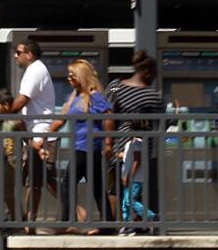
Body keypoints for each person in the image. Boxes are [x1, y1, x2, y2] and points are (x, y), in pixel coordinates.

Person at [47, 59, 115, 233]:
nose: (69, 77)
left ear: (81, 76)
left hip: (88, 147)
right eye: (68, 74)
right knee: (96, 187)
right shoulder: (76, 96)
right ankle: (107, 224)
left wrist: (108, 142)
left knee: (67, 183)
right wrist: (44, 135)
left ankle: (68, 222)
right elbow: (62, 118)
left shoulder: (94, 95)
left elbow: (108, 116)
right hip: (80, 147)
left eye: (72, 74)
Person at [3, 40, 58, 224]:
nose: (15, 56)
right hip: (37, 134)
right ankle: (29, 221)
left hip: (41, 135)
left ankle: (73, 211)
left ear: (29, 54)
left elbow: (22, 100)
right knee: (37, 180)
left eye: (19, 52)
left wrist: (5, 113)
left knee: (40, 181)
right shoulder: (35, 70)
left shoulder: (34, 71)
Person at [106, 50, 164, 222]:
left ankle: (117, 224)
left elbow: (107, 115)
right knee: (135, 191)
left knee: (115, 189)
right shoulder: (152, 96)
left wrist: (108, 143)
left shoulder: (115, 86)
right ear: (147, 72)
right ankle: (136, 224)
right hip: (143, 151)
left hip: (118, 149)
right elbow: (162, 123)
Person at [0, 87, 25, 222]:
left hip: (13, 160)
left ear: (6, 106)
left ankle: (17, 218)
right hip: (2, 161)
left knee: (7, 191)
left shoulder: (15, 121)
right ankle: (17, 216)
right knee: (5, 191)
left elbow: (26, 136)